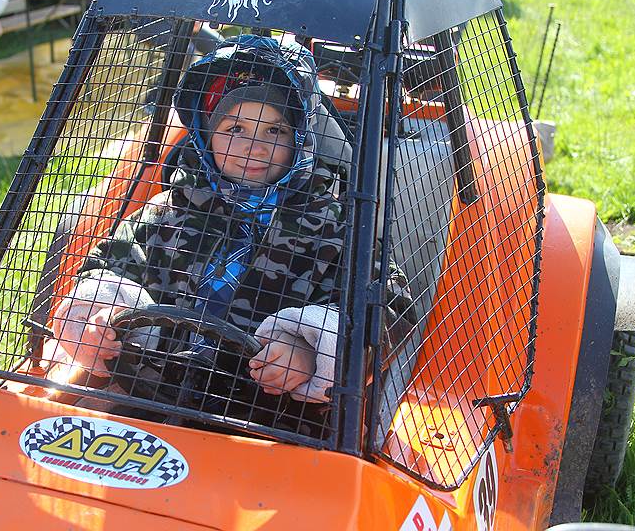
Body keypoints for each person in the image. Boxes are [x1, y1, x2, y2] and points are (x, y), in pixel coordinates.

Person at [51, 35, 413, 410]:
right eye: (234, 129)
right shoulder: (163, 215)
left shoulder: (336, 231)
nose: (254, 147)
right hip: (150, 394)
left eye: (275, 130)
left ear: (301, 138)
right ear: (205, 135)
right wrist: (100, 312)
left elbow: (392, 305)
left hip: (278, 419)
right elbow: (109, 270)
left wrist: (311, 346)